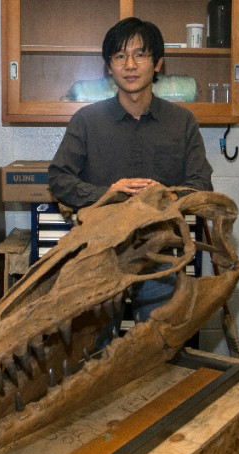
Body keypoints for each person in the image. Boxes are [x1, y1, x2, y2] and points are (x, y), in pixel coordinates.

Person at [48, 17, 213, 328]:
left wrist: (163, 195)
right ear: (109, 67)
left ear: (158, 63)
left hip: (160, 252)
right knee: (95, 352)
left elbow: (201, 184)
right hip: (101, 251)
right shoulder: (87, 121)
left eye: (141, 54)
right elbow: (59, 178)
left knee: (158, 346)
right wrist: (108, 193)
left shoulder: (182, 122)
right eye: (120, 56)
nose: (130, 64)